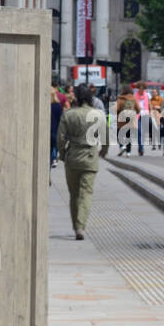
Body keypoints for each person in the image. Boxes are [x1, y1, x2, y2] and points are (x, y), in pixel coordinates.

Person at [57, 83, 108, 239]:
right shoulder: (98, 115)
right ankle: (81, 226)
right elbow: (105, 138)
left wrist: (63, 153)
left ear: (77, 97)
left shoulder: (69, 115)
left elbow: (60, 138)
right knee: (86, 194)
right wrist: (103, 152)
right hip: (90, 157)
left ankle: (75, 225)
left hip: (73, 157)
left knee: (73, 194)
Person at [116, 82, 137, 155]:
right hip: (130, 120)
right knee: (129, 136)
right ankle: (128, 152)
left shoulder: (120, 98)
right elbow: (139, 109)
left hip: (121, 120)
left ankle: (122, 147)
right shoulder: (133, 99)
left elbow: (116, 109)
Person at [50, 84, 65, 172]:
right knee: (54, 146)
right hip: (56, 129)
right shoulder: (58, 106)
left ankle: (53, 159)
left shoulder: (47, 106)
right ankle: (54, 158)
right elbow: (60, 119)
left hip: (49, 130)